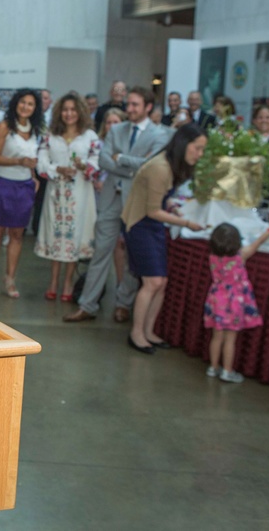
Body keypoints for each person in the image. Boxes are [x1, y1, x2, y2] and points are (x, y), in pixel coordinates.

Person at [65, 88, 171, 323]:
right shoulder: (117, 130)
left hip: (139, 203)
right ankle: (87, 304)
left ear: (148, 107)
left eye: (135, 105)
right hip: (111, 200)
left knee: (133, 257)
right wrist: (130, 165)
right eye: (128, 104)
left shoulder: (160, 134)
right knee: (100, 253)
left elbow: (150, 165)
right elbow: (104, 160)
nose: (129, 109)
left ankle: (123, 303)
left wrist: (120, 159)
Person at [122, 124, 207, 353]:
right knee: (152, 282)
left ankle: (149, 331)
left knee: (162, 283)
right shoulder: (160, 167)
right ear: (184, 145)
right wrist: (188, 223)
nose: (199, 154)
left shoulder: (170, 164)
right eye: (197, 148)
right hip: (140, 224)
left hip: (153, 225)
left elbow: (159, 198)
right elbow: (151, 210)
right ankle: (137, 333)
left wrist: (171, 206)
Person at [34, 93, 100, 302]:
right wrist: (58, 168)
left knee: (75, 235)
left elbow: (97, 165)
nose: (69, 114)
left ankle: (68, 281)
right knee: (55, 234)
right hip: (56, 193)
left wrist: (84, 166)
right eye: (65, 110)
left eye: (73, 109)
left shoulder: (90, 136)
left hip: (80, 193)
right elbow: (41, 164)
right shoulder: (50, 135)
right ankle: (53, 281)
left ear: (80, 111)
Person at [0, 89, 41, 299]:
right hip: (3, 184)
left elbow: (34, 158)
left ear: (35, 108)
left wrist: (33, 175)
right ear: (16, 103)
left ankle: (10, 278)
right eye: (23, 102)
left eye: (31, 104)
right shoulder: (4, 126)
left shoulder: (35, 130)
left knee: (17, 235)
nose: (26, 107)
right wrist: (19, 162)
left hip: (24, 186)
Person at [203, 223, 269, 382]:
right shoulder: (240, 256)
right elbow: (258, 242)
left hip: (216, 298)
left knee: (217, 336)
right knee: (230, 339)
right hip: (234, 301)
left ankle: (213, 367)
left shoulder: (212, 257)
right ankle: (227, 370)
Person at [94, 108, 128, 290]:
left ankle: (120, 286)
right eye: (108, 122)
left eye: (116, 122)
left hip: (119, 198)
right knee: (99, 245)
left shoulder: (127, 146)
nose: (112, 126)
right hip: (97, 198)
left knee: (119, 244)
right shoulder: (97, 143)